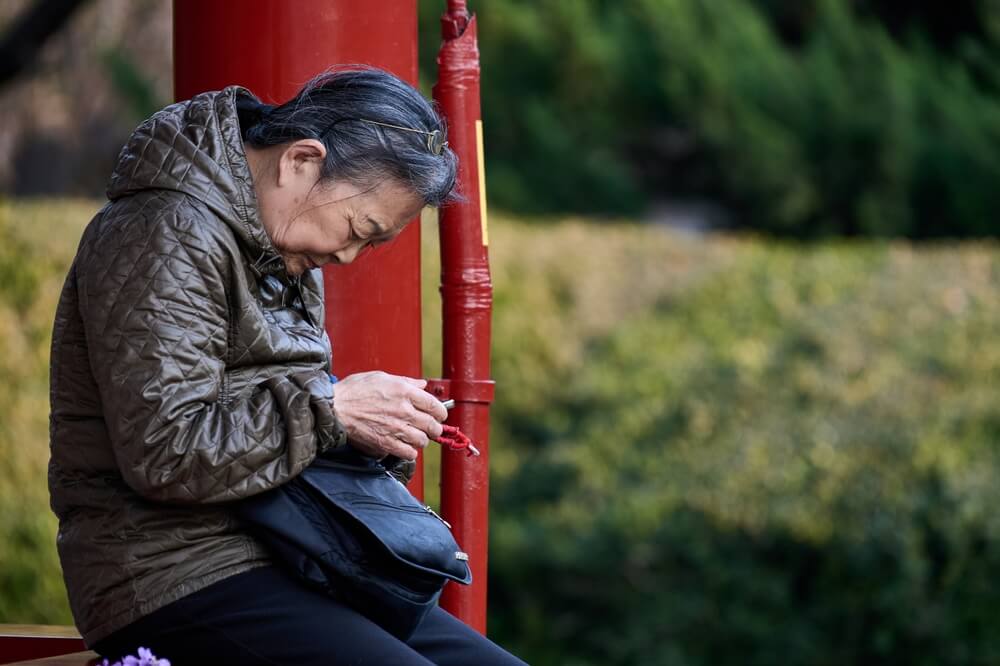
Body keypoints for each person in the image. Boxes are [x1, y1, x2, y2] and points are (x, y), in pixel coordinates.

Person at [48, 67, 526, 665]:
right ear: (301, 160)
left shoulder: (277, 244)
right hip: (169, 572)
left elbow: (279, 410)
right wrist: (333, 409)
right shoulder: (164, 229)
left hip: (292, 551)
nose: (348, 256)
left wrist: (369, 434)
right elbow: (165, 450)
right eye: (358, 229)